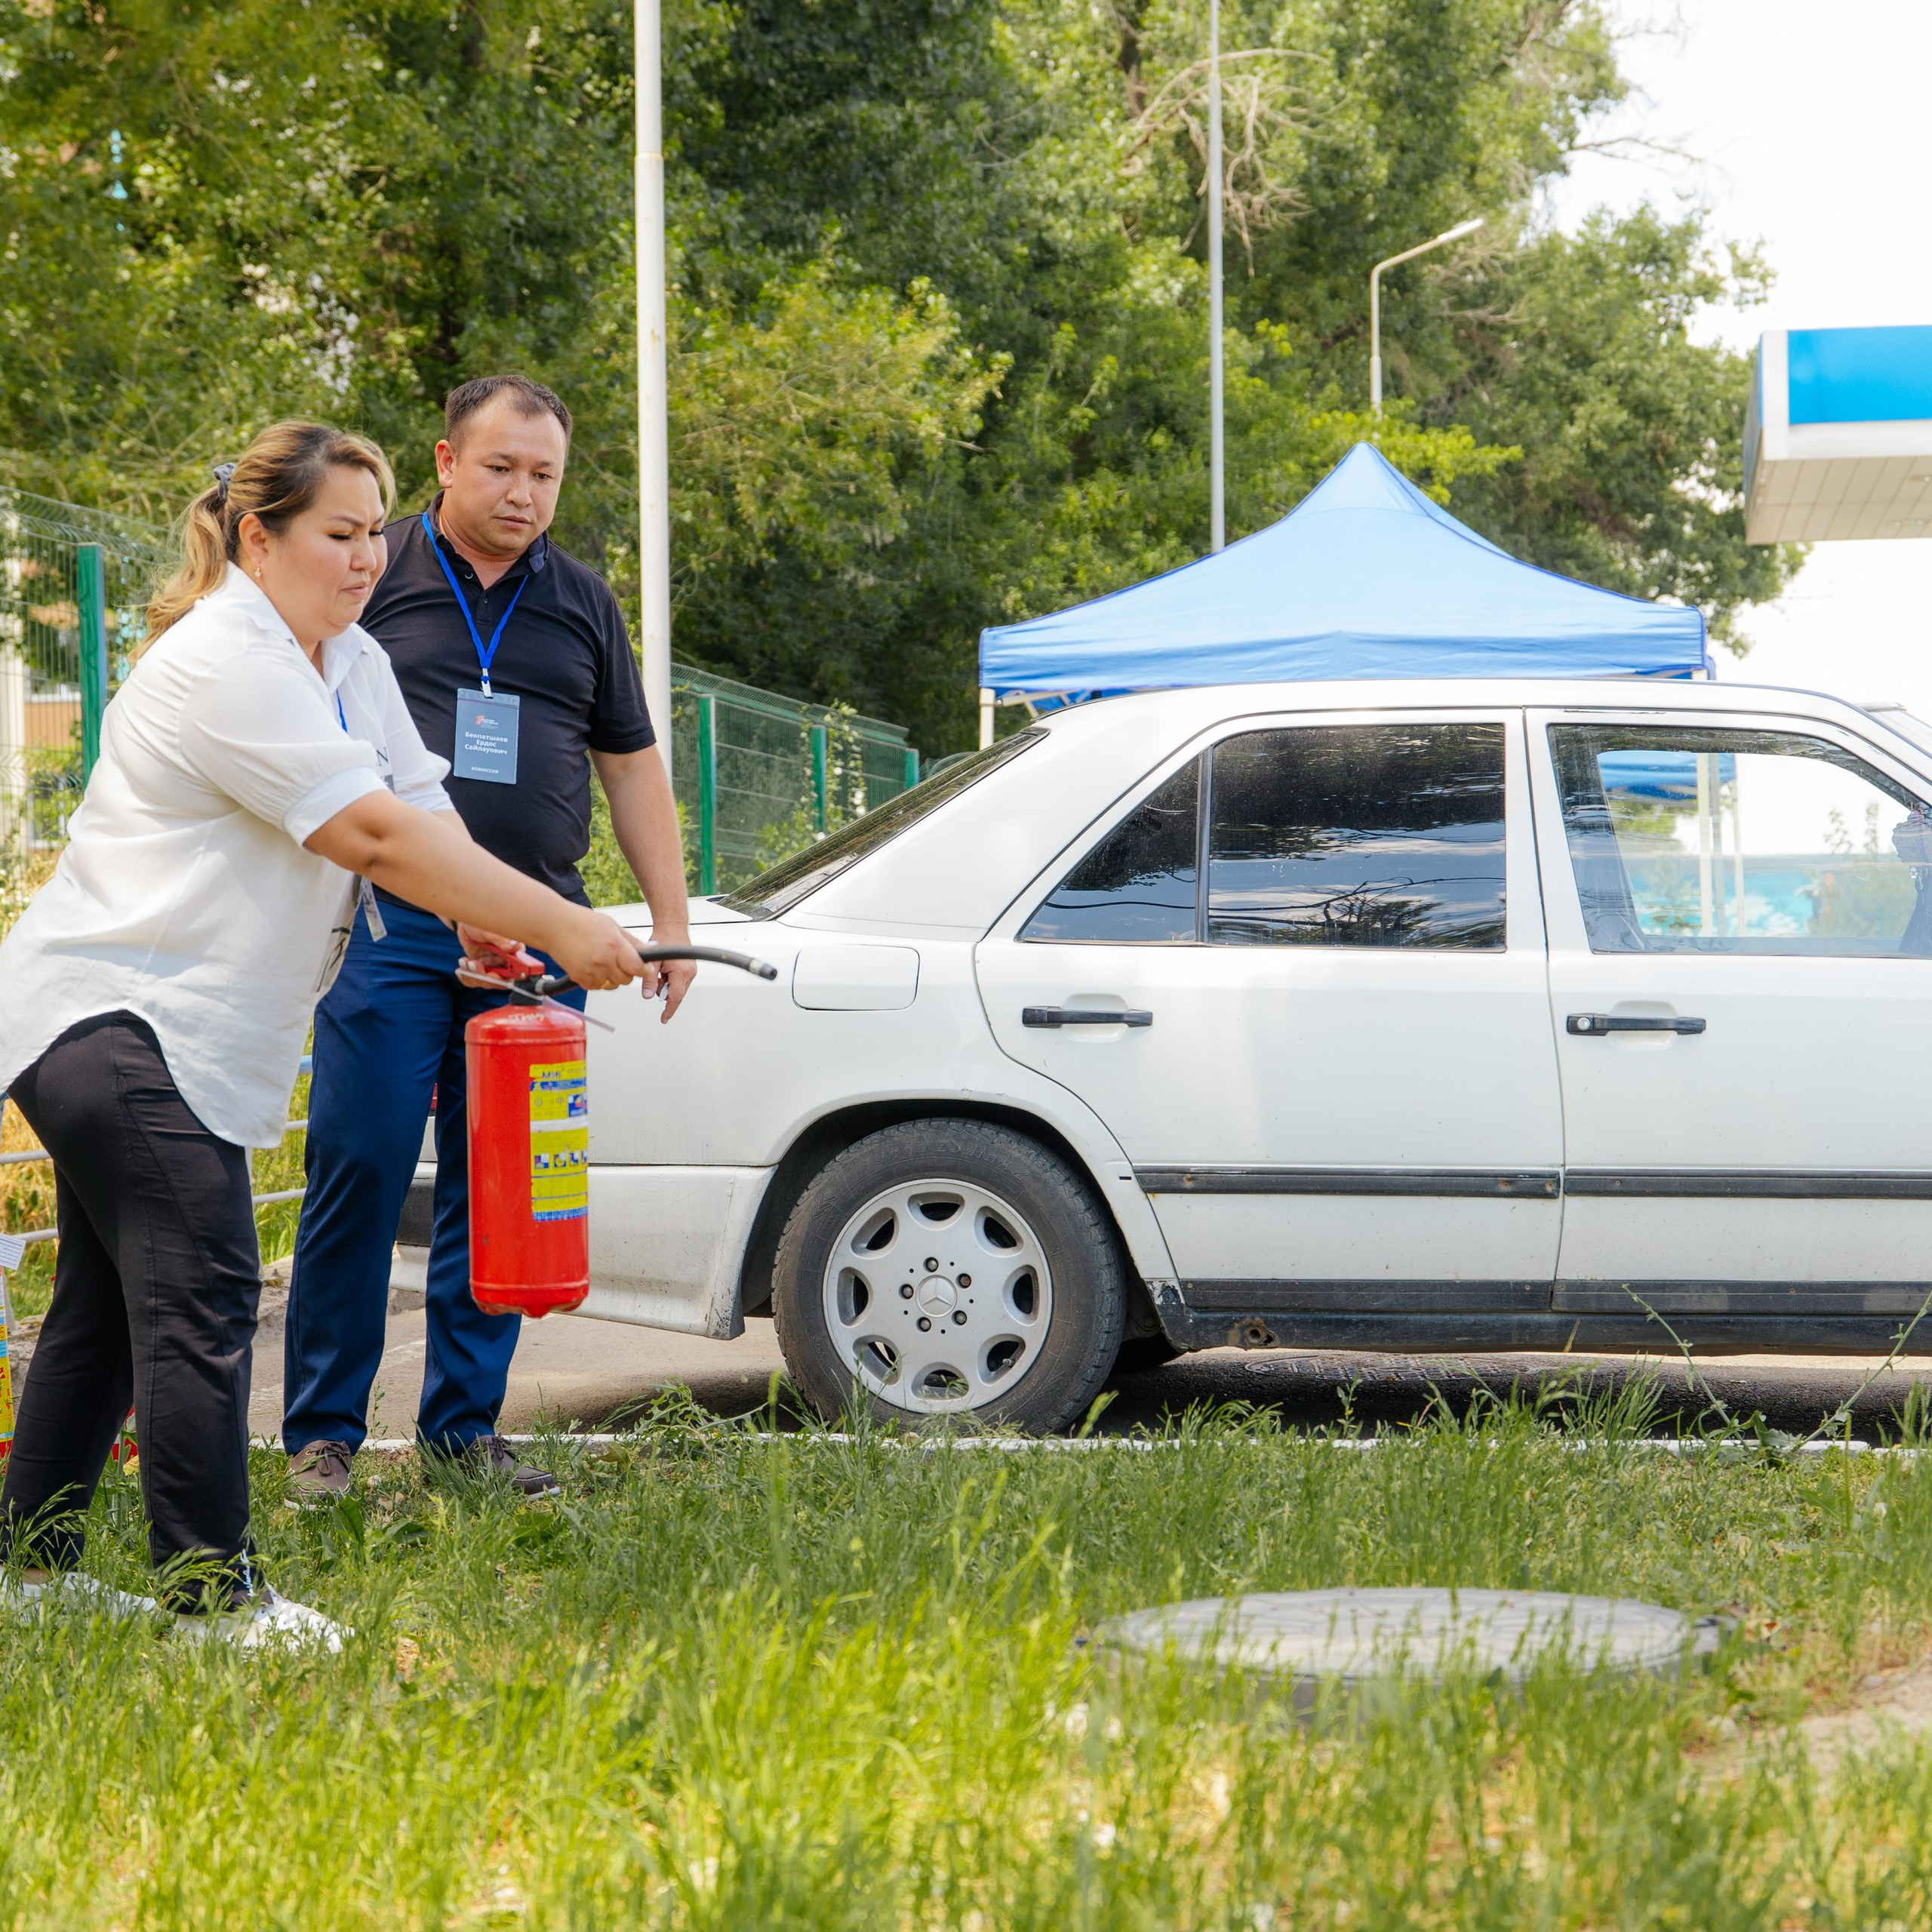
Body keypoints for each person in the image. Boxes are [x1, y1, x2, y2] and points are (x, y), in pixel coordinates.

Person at [0, 423, 654, 1639]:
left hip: (171, 1030)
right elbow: (369, 840)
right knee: (201, 1287)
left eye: (373, 537)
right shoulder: (225, 662)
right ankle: (214, 1599)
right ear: (261, 537)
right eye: (340, 536)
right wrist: (563, 925)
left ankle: (25, 1580)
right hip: (110, 1016)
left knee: (103, 1306)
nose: (366, 562)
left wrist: (477, 926)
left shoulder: (343, 658)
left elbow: (424, 813)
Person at [281, 375, 693, 1506]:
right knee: (357, 1166)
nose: (523, 492)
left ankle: (466, 1431)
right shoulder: (373, 571)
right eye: (501, 467)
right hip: (389, 922)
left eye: (545, 474)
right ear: (446, 462)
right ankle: (322, 1438)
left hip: (541, 932)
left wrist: (671, 922)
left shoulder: (582, 603)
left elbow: (631, 765)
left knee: (504, 1186)